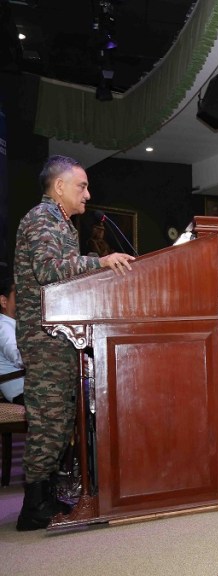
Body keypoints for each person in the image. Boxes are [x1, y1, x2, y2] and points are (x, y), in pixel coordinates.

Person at [14, 156, 136, 531]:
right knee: (49, 420)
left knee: (60, 418)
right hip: (43, 338)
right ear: (60, 187)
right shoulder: (41, 219)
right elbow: (49, 270)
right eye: (81, 186)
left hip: (60, 337)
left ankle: (46, 493)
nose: (88, 193)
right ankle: (32, 507)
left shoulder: (63, 224)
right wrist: (101, 262)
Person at [0, 275, 25, 404]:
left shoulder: (16, 324)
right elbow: (17, 357)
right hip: (22, 393)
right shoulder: (3, 326)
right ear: (4, 301)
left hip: (32, 389)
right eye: (18, 296)